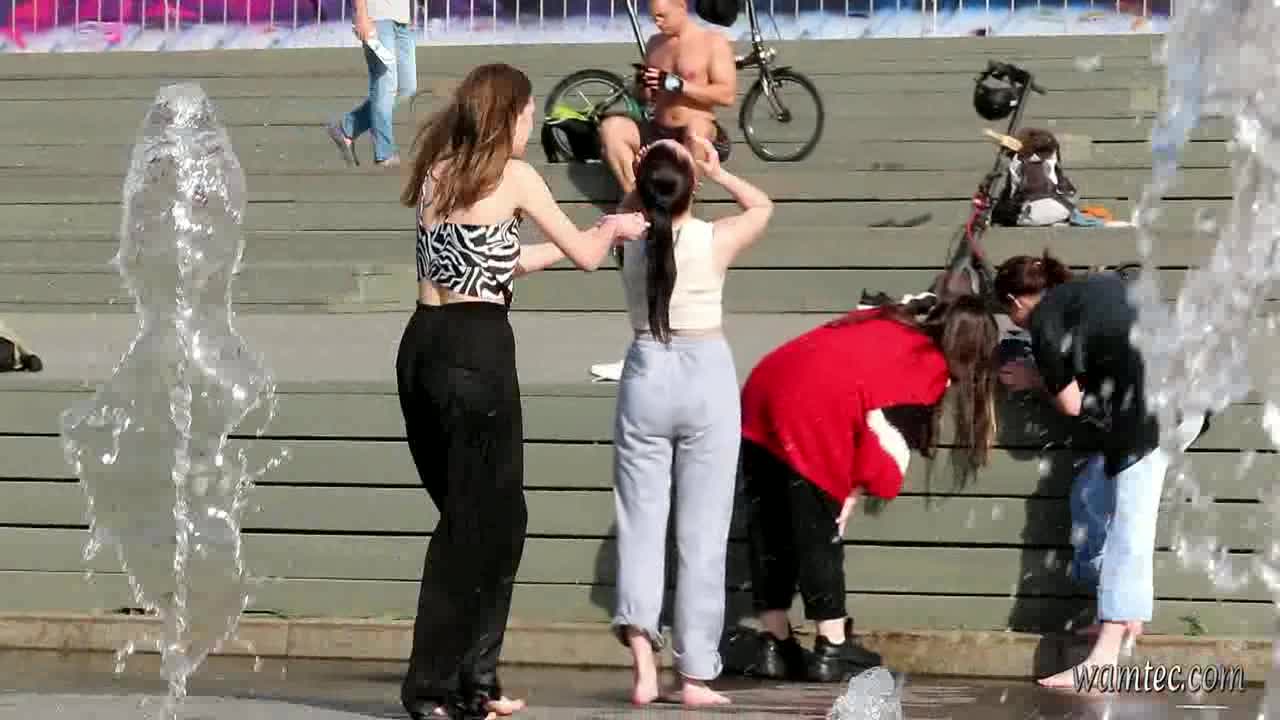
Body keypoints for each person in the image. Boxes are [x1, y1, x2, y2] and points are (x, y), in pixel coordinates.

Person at [395, 63, 648, 720]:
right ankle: (431, 688)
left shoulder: (439, 172)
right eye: (529, 113)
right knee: (473, 524)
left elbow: (495, 261)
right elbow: (588, 258)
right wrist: (611, 230)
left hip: (422, 347)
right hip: (475, 353)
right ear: (507, 114)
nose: (532, 124)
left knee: (498, 521)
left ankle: (475, 682)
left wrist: (594, 233)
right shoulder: (516, 177)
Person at [738, 296, 1000, 682]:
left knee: (770, 525)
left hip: (762, 390)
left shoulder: (888, 322)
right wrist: (851, 493)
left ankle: (775, 645)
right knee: (819, 534)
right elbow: (885, 442)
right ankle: (832, 648)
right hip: (810, 408)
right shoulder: (926, 368)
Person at [611, 136, 773, 706]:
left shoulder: (627, 238)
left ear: (642, 186)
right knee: (702, 534)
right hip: (705, 374)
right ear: (692, 187)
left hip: (645, 371)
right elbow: (763, 206)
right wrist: (718, 172)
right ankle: (695, 676)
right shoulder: (713, 237)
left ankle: (643, 668)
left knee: (640, 523)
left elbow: (633, 207)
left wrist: (641, 177)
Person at [993, 252, 1199, 689]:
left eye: (1010, 316)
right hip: (1187, 400)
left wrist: (1034, 379)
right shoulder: (1100, 286)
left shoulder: (1046, 322)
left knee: (1129, 526)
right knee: (1091, 492)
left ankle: (1104, 658)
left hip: (1153, 416)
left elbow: (1071, 405)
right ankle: (1122, 612)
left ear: (1015, 302)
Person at [598, 0, 737, 194]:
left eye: (662, 16)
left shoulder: (712, 41)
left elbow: (727, 95)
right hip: (658, 129)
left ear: (681, 6)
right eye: (654, 18)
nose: (658, 22)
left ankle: (684, 200)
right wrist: (643, 86)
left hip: (698, 130)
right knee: (612, 127)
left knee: (697, 129)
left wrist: (679, 85)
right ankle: (635, 198)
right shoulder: (654, 43)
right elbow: (644, 98)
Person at [325, 0, 417, 168]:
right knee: (385, 85)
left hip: (402, 19)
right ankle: (385, 153)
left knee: (406, 88)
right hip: (377, 18)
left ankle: (346, 128)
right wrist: (361, 14)